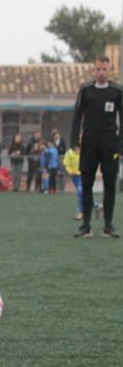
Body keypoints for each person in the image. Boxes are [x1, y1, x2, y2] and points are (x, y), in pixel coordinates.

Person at [71, 54, 123, 238]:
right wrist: (74, 143)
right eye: (98, 69)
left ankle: (108, 226)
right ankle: (86, 226)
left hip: (110, 144)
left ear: (110, 70)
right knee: (86, 184)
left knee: (110, 185)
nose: (101, 72)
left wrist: (120, 145)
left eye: (104, 69)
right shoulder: (85, 90)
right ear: (94, 70)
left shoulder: (117, 91)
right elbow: (77, 117)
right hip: (89, 142)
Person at [64, 142, 101, 221]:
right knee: (82, 194)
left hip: (83, 175)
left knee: (80, 192)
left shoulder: (86, 151)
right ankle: (97, 205)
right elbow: (66, 164)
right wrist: (70, 171)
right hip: (74, 176)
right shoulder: (69, 153)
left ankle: (80, 213)